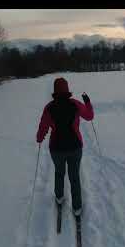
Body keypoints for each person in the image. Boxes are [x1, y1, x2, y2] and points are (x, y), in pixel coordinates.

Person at [36, 77, 94, 217]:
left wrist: (39, 138)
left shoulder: (49, 108)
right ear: (67, 89)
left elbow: (43, 127)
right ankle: (77, 207)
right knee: (74, 177)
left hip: (56, 149)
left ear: (55, 91)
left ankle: (59, 197)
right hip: (75, 148)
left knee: (59, 173)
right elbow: (89, 116)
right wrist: (87, 102)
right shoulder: (75, 104)